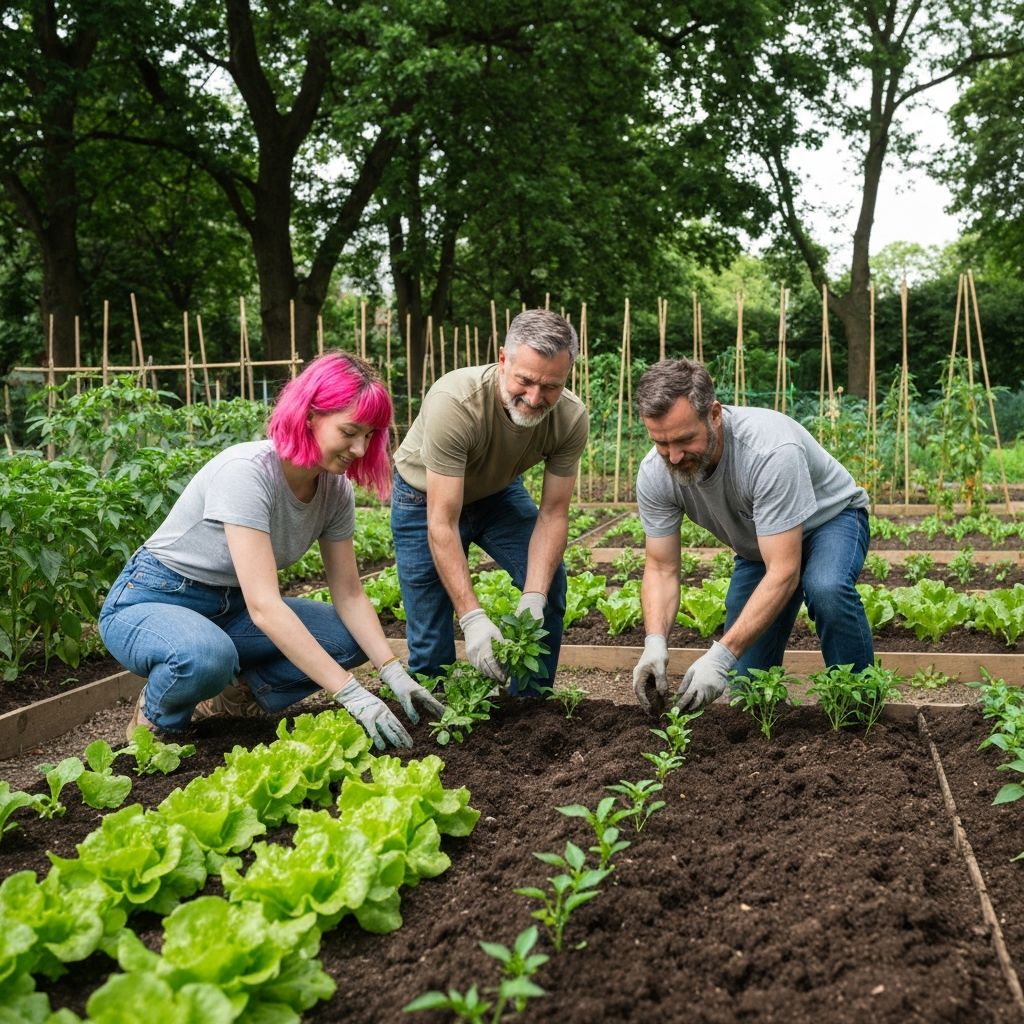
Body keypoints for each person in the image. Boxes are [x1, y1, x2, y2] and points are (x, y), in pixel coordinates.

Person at [99, 352, 443, 750]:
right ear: (310, 415)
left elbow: (349, 593)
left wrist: (391, 671)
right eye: (350, 431)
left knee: (348, 640)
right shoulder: (247, 472)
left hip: (232, 607)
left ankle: (233, 696)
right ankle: (157, 722)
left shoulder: (335, 491)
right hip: (156, 598)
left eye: (369, 436)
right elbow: (264, 606)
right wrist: (349, 693)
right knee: (205, 656)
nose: (361, 449)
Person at [631, 357, 874, 713]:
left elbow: (784, 572)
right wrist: (654, 642)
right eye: (661, 442)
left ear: (714, 414)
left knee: (826, 587)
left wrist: (720, 655)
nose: (674, 455)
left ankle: (861, 710)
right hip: (762, 542)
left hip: (830, 520)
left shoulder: (769, 452)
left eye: (684, 439)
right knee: (749, 691)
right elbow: (661, 567)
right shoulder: (655, 472)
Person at [391, 308, 588, 694]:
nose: (534, 397)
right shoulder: (455, 402)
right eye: (525, 380)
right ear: (503, 360)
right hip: (424, 497)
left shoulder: (569, 417)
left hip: (497, 493)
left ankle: (531, 709)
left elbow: (553, 514)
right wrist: (473, 617)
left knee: (550, 585)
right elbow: (442, 523)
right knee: (431, 637)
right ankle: (439, 717)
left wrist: (534, 595)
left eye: (551, 385)